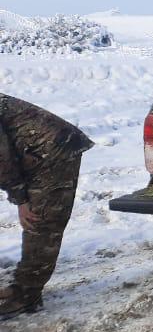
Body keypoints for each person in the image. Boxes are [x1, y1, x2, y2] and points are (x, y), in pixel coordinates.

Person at [1, 95, 94, 318]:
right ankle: (21, 287)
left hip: (53, 153)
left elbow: (2, 159)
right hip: (31, 152)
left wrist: (21, 198)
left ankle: (26, 295)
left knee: (40, 220)